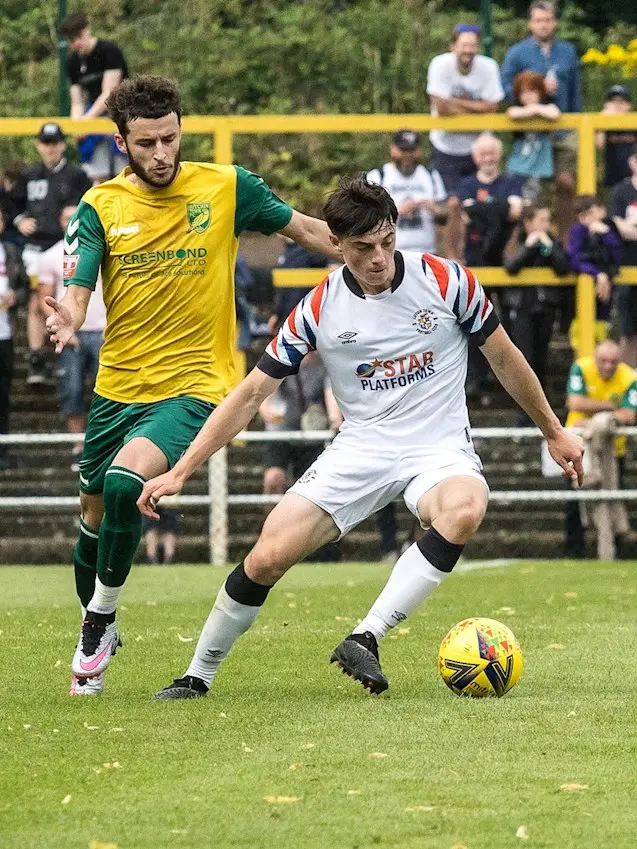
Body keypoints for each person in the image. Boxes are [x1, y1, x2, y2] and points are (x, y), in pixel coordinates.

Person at [138, 175, 584, 701]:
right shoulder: (318, 308)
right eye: (362, 247)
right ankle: (197, 675)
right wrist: (182, 468)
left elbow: (505, 359)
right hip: (361, 446)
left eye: (387, 240)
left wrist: (553, 430)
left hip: (437, 447)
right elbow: (253, 393)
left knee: (465, 507)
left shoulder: (447, 282)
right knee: (265, 556)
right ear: (336, 244)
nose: (379, 257)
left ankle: (366, 636)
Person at [44, 75, 342, 697]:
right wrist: (68, 317)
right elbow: (77, 292)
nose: (160, 154)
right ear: (123, 142)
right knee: (93, 520)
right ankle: (98, 614)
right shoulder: (100, 205)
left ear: (182, 131)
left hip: (195, 385)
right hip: (118, 388)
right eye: (147, 143)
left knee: (129, 482)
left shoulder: (226, 186)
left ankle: (97, 623)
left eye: (170, 139)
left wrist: (373, 254)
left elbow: (309, 231)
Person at [11, 123, 92, 385]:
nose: (50, 147)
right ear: (38, 145)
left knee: (72, 296)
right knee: (39, 300)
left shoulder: (77, 175)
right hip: (36, 247)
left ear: (63, 144)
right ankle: (37, 355)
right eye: (46, 143)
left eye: (55, 142)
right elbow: (11, 204)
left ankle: (64, 348)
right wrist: (19, 219)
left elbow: (91, 205)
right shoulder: (29, 174)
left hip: (68, 245)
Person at [501, 0, 582, 239]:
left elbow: (576, 92)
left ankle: (567, 242)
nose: (543, 25)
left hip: (563, 130)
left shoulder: (567, 51)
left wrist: (583, 127)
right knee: (528, 193)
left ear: (554, 22)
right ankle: (526, 245)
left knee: (567, 183)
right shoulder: (517, 52)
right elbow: (505, 88)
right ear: (530, 23)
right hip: (530, 133)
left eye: (547, 20)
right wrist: (535, 88)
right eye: (538, 20)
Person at [453, 133, 524, 394]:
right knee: (473, 319)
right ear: (475, 157)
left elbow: (516, 211)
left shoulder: (511, 181)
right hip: (476, 260)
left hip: (506, 259)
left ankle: (512, 379)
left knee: (509, 319)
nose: (488, 158)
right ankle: (477, 378)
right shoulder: (467, 183)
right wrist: (500, 210)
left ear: (499, 154)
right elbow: (466, 214)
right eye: (483, 154)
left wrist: (482, 210)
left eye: (492, 153)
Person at [426, 23, 504, 259]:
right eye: (464, 45)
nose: (468, 50)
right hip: (446, 147)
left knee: (489, 204)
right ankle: (452, 261)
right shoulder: (440, 64)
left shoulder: (488, 67)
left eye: (472, 45)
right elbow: (440, 107)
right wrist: (477, 110)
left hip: (480, 147)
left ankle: (486, 257)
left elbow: (493, 107)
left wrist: (455, 104)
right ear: (453, 46)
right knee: (451, 205)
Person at [38, 205, 106, 471]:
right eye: (67, 218)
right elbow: (44, 298)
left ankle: (107, 446)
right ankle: (79, 447)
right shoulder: (51, 255)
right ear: (60, 222)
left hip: (104, 332)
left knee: (110, 392)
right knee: (72, 390)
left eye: (75, 218)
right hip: (72, 335)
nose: (72, 223)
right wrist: (62, 327)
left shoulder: (105, 249)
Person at [564, 341, 637, 557]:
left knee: (612, 497)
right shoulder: (581, 368)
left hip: (614, 451)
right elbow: (575, 402)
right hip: (578, 447)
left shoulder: (628, 377)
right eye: (603, 361)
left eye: (613, 362)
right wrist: (610, 408)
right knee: (574, 500)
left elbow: (630, 414)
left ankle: (614, 549)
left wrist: (591, 420)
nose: (608, 367)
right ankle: (575, 550)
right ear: (595, 360)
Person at [504, 204, 570, 423]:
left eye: (547, 220)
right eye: (540, 220)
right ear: (528, 223)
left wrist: (550, 248)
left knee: (541, 359)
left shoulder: (552, 243)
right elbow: (511, 267)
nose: (545, 225)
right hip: (523, 307)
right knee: (526, 358)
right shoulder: (517, 242)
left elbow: (562, 267)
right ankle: (524, 412)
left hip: (546, 307)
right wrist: (529, 248)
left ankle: (541, 411)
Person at [60, 11, 129, 182]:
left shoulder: (108, 51)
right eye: (71, 39)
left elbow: (109, 93)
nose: (76, 43)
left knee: (124, 172)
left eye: (79, 36)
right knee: (97, 175)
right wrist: (76, 125)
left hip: (121, 112)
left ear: (87, 30)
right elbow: (77, 101)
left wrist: (86, 122)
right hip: (93, 119)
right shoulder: (72, 62)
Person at [366, 130, 447, 254]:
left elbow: (445, 217)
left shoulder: (431, 175)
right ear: (392, 149)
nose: (407, 156)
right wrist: (397, 212)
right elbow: (365, 216)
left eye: (412, 150)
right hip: (389, 252)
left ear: (419, 150)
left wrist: (433, 208)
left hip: (426, 252)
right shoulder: (378, 177)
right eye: (403, 150)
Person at [567, 194, 622, 353]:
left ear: (601, 210)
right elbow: (574, 259)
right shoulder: (578, 230)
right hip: (580, 299)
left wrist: (606, 234)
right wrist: (597, 274)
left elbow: (617, 258)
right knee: (580, 342)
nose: (588, 219)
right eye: (583, 216)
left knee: (602, 336)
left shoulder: (609, 228)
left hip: (604, 298)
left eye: (591, 213)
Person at [0, 216, 29, 471]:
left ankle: (3, 450)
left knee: (3, 396)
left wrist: (14, 297)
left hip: (4, 333)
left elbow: (24, 288)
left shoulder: (10, 250)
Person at [505, 71, 561, 202]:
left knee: (532, 200)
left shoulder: (548, 106)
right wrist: (533, 110)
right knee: (513, 199)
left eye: (532, 91)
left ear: (541, 92)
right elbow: (512, 113)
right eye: (523, 92)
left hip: (538, 165)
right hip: (518, 163)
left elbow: (554, 113)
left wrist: (535, 108)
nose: (528, 96)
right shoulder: (516, 108)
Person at [609, 145, 637, 367]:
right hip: (626, 270)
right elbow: (619, 228)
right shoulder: (620, 192)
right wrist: (626, 229)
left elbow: (628, 229)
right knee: (628, 333)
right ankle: (627, 384)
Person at [596, 86, 637, 192]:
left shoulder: (634, 124)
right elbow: (599, 144)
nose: (617, 105)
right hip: (611, 180)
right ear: (606, 105)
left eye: (621, 102)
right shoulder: (604, 126)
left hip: (633, 179)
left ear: (629, 105)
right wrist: (602, 121)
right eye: (613, 102)